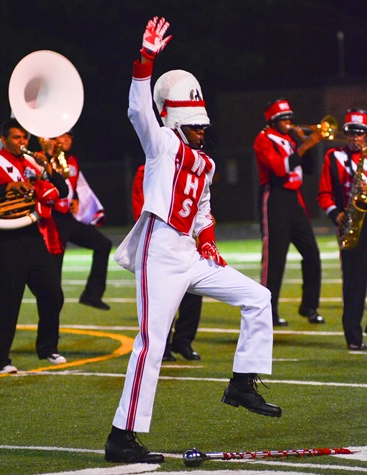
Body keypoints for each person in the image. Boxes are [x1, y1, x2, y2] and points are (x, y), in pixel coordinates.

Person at [104, 17, 281, 465]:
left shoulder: (206, 164)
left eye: (205, 124)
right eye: (197, 124)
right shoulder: (161, 143)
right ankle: (121, 436)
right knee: (152, 343)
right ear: (179, 122)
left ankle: (241, 383)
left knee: (258, 297)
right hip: (160, 249)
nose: (204, 130)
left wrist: (208, 243)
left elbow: (202, 212)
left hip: (188, 251)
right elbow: (137, 108)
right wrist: (145, 59)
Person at [0, 118, 69, 374]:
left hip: (32, 234)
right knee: (6, 301)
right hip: (3, 238)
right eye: (16, 138)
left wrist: (48, 168)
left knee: (52, 293)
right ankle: (0, 361)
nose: (22, 142)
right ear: (4, 140)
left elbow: (63, 191)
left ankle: (47, 347)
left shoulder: (33, 163)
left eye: (24, 138)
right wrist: (8, 186)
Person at [253, 98, 325, 327]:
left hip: (295, 201)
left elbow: (310, 169)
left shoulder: (290, 139)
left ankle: (309, 306)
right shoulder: (263, 139)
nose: (288, 122)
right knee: (275, 260)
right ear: (273, 121)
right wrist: (303, 146)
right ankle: (268, 312)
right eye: (283, 119)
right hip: (275, 198)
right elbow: (279, 168)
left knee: (313, 254)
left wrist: (306, 143)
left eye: (289, 118)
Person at [132, 164, 203, 361]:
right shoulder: (149, 168)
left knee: (193, 291)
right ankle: (161, 347)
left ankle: (184, 341)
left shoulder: (193, 167)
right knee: (164, 296)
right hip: (162, 241)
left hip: (187, 240)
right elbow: (141, 205)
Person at [38, 131, 112, 311]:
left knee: (103, 244)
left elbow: (74, 185)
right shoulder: (41, 159)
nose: (65, 139)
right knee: (55, 271)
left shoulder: (72, 160)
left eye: (69, 136)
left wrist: (77, 197)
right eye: (60, 136)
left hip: (67, 218)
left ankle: (91, 295)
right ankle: (51, 323)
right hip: (51, 219)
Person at [318, 108, 367, 351]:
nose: (355, 138)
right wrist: (335, 213)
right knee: (353, 281)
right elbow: (323, 193)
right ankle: (354, 335)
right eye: (351, 133)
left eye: (359, 134)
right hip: (350, 222)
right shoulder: (333, 157)